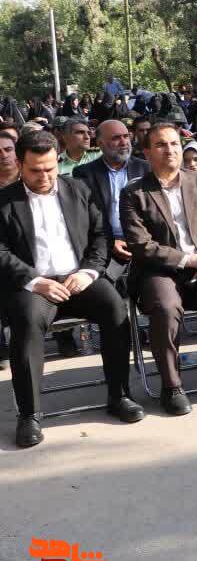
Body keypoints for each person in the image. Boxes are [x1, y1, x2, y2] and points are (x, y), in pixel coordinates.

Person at [0, 131, 145, 447]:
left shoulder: (79, 189)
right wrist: (35, 281)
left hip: (79, 278)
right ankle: (30, 414)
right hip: (34, 286)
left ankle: (119, 396)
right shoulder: (4, 201)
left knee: (114, 308)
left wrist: (89, 272)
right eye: (35, 170)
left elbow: (101, 236)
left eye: (50, 168)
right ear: (20, 165)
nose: (44, 177)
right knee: (26, 320)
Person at [121, 123, 197, 413]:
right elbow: (141, 245)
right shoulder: (134, 193)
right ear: (147, 152)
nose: (170, 150)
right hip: (159, 270)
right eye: (161, 145)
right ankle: (172, 386)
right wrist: (191, 260)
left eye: (175, 143)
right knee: (165, 308)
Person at [72, 119, 149, 285]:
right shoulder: (84, 173)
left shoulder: (146, 169)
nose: (124, 142)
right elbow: (86, 217)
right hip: (105, 245)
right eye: (116, 138)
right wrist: (111, 242)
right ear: (100, 143)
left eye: (126, 136)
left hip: (144, 243)